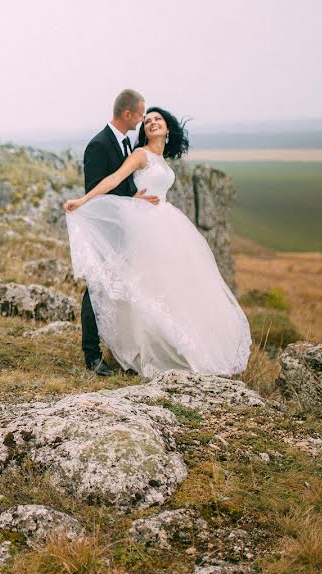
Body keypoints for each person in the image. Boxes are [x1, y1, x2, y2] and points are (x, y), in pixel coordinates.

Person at [63, 106, 250, 377]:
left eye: (157, 119)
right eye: (147, 120)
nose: (152, 123)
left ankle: (175, 344)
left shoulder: (162, 160)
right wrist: (82, 201)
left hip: (166, 224)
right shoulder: (141, 155)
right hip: (143, 227)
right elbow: (114, 178)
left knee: (169, 285)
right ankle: (136, 349)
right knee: (143, 285)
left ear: (167, 127)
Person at [78, 89, 160, 376]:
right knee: (95, 289)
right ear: (128, 114)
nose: (142, 119)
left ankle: (119, 344)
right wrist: (130, 201)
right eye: (140, 114)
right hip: (105, 232)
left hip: (126, 233)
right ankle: (91, 354)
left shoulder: (126, 144)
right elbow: (97, 193)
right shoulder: (99, 145)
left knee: (120, 289)